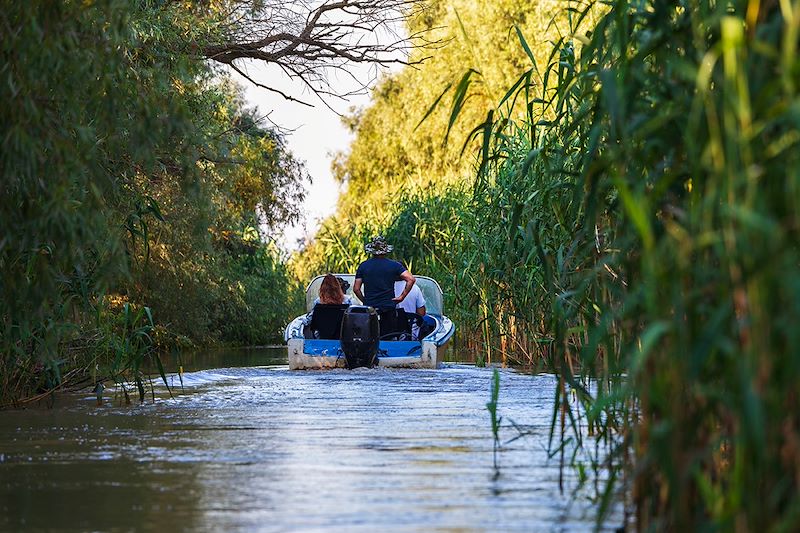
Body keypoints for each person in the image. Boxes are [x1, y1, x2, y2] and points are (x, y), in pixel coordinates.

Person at [353, 236, 415, 311]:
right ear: (386, 251)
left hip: (370, 308)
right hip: (388, 307)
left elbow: (356, 289)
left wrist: (365, 301)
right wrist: (402, 297)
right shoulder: (395, 265)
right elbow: (411, 279)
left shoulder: (363, 266)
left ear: (372, 251)